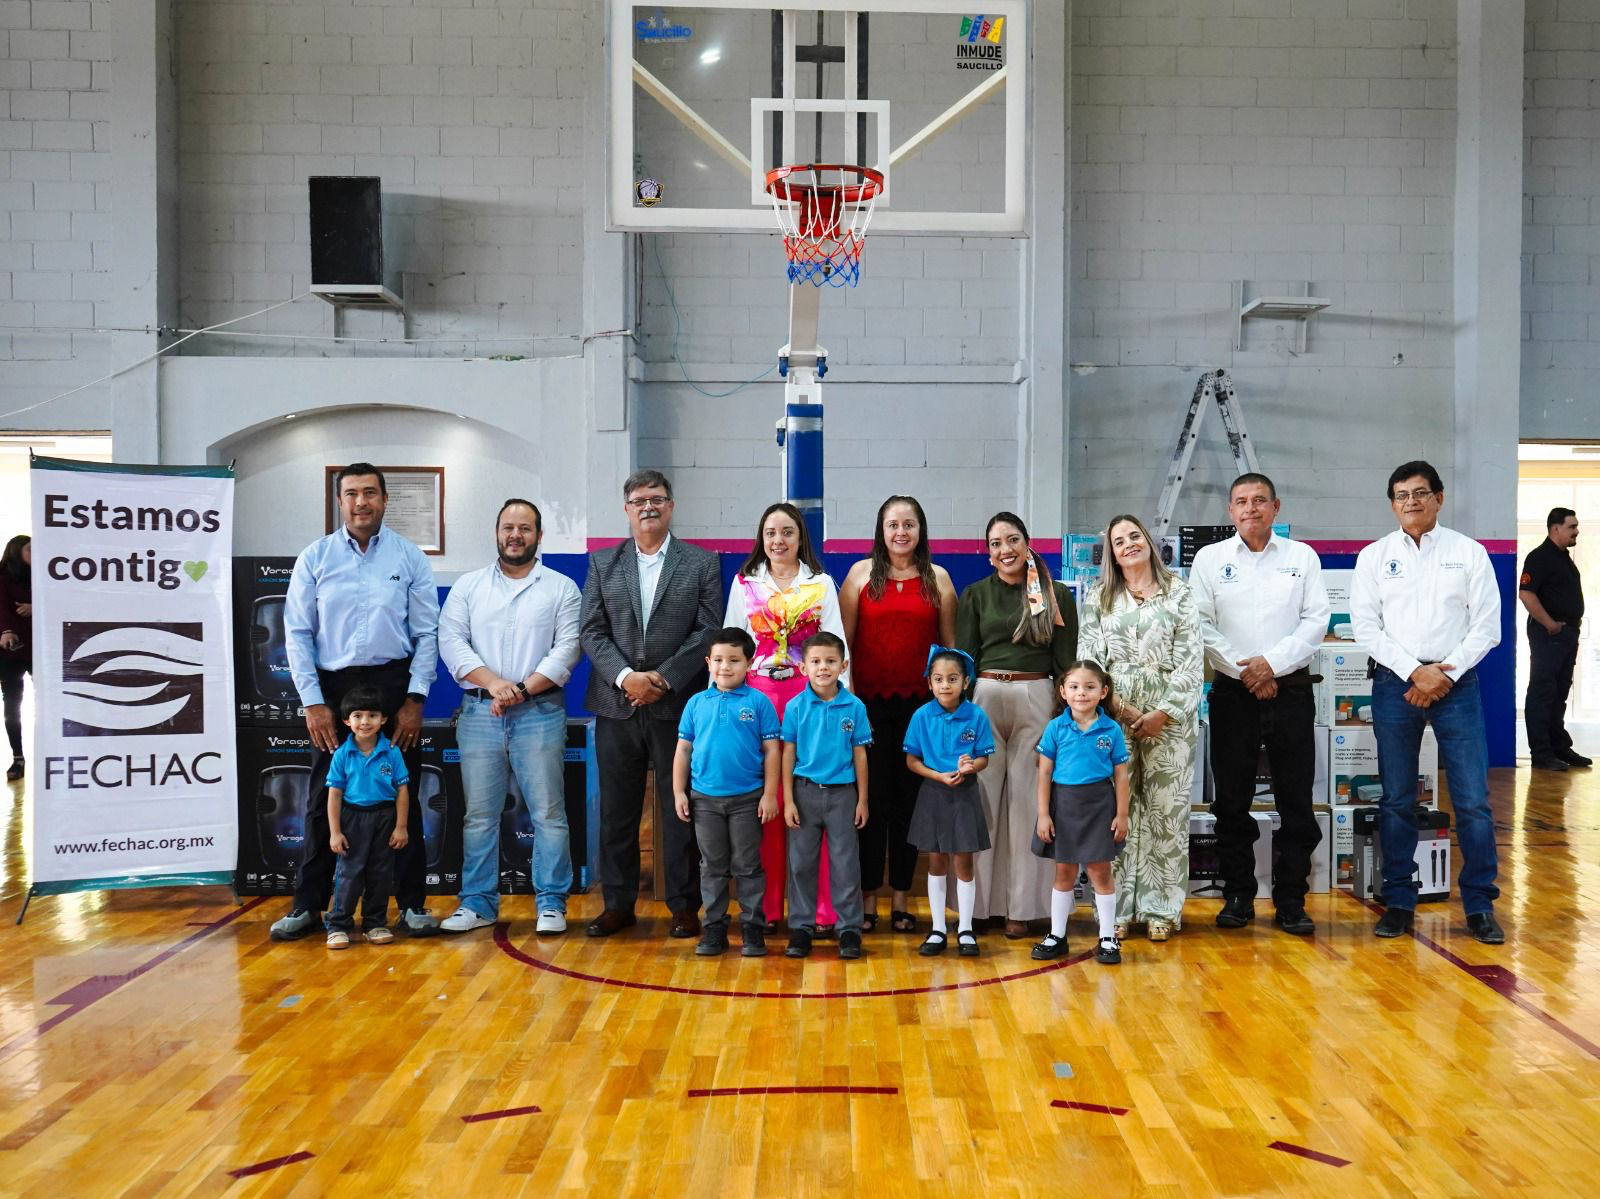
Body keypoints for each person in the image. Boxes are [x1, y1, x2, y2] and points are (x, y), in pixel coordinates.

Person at [272, 463, 440, 942]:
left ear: (386, 501)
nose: (361, 502)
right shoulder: (316, 558)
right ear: (339, 502)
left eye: (370, 493)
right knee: (325, 797)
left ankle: (410, 906)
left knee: (401, 796)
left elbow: (426, 632)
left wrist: (415, 698)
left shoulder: (409, 558)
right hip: (332, 690)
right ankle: (308, 906)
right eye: (351, 494)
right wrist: (313, 702)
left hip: (394, 687)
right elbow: (298, 633)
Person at [1351, 460, 1504, 944]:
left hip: (1457, 684)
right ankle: (1399, 900)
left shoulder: (1470, 553)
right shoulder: (1375, 556)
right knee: (1397, 799)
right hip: (1397, 684)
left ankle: (1479, 905)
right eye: (1401, 495)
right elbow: (1365, 627)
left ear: (1440, 497)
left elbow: (1487, 626)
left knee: (1473, 802)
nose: (1411, 502)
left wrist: (1444, 671)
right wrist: (1415, 671)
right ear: (1392, 504)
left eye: (1421, 493)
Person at [581, 470, 722, 940]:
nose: (648, 507)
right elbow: (591, 631)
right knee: (617, 812)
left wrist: (661, 678)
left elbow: (707, 630)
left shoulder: (701, 564)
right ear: (626, 508)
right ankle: (618, 904)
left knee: (679, 807)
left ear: (671, 506)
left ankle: (684, 905)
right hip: (615, 704)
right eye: (639, 500)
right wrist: (627, 677)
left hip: (675, 704)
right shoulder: (603, 564)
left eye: (657, 499)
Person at [1190, 473, 1330, 936]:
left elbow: (1314, 622)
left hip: (1290, 690)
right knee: (1231, 801)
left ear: (1276, 506)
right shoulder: (1210, 560)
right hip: (1233, 693)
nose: (1251, 508)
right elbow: (1202, 625)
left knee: (1295, 800)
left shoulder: (1301, 557)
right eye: (1241, 502)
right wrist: (1246, 671)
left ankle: (1291, 900)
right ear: (1230, 511)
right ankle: (1238, 895)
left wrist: (1270, 664)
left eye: (1260, 500)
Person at [437, 499, 581, 936]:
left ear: (538, 536)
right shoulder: (468, 586)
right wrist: (496, 684)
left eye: (524, 528)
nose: (514, 535)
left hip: (540, 711)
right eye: (507, 527)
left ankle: (551, 903)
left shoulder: (561, 588)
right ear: (496, 532)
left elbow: (567, 648)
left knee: (549, 813)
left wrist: (518, 689)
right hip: (480, 712)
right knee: (479, 815)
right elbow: (452, 641)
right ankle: (478, 903)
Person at [723, 502, 849, 931]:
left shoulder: (822, 585)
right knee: (769, 805)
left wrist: (841, 706)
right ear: (761, 537)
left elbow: (838, 647)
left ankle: (820, 911)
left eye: (788, 533)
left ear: (801, 538)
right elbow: (732, 647)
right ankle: (770, 909)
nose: (779, 540)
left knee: (811, 802)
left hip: (810, 700)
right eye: (771, 532)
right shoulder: (744, 585)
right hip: (756, 701)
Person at [1079, 513, 1202, 943]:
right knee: (1118, 813)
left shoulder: (1179, 593)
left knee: (1167, 813)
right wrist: (1126, 712)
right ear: (1111, 554)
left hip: (1171, 718)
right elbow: (1090, 663)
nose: (1128, 544)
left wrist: (1162, 714)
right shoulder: (1098, 597)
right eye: (1119, 541)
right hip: (1114, 716)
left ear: (1149, 543)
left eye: (1135, 536)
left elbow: (1190, 661)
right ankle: (1115, 909)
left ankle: (1161, 910)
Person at [839, 495, 958, 934]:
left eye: (909, 524)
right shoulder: (859, 575)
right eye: (893, 524)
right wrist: (849, 703)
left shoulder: (939, 579)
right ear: (881, 529)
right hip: (868, 705)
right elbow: (843, 646)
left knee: (910, 804)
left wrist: (946, 708)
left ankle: (904, 900)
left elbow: (949, 652)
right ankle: (868, 899)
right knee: (871, 803)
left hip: (920, 710)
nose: (901, 532)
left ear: (921, 529)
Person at [956, 511, 1077, 938]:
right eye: (995, 543)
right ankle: (980, 906)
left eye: (1012, 540)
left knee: (1029, 804)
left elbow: (1065, 665)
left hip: (1036, 698)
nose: (1004, 549)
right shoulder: (973, 595)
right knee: (983, 802)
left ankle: (1022, 910)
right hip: (986, 696)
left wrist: (1067, 722)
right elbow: (964, 662)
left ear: (1027, 544)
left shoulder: (1055, 594)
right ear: (987, 554)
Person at [672, 627, 781, 957]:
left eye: (734, 660)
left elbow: (773, 750)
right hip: (704, 800)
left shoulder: (759, 702)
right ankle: (715, 927)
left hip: (748, 798)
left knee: (748, 865)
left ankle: (752, 927)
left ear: (749, 663)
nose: (725, 667)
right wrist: (680, 792)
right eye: (718, 660)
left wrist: (769, 794)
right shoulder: (696, 703)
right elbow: (683, 750)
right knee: (712, 866)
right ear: (708, 663)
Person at [1030, 660, 1130, 966]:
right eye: (1074, 687)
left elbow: (1122, 776)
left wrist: (1122, 814)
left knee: (1100, 871)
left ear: (1103, 692)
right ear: (1062, 691)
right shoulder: (1056, 727)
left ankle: (1107, 938)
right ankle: (1057, 935)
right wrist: (1043, 814)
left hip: (1100, 806)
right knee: (1065, 872)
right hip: (1064, 806)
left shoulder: (1110, 730)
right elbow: (1044, 773)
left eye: (1089, 687)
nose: (1081, 693)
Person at [780, 632, 873, 960]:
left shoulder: (855, 706)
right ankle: (801, 928)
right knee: (802, 864)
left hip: (843, 796)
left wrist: (862, 799)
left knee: (845, 865)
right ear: (802, 667)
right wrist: (788, 799)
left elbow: (860, 754)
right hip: (804, 794)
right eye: (815, 662)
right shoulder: (795, 707)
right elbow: (787, 754)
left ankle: (849, 929)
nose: (823, 668)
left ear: (843, 665)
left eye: (830, 661)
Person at [904, 646, 994, 958]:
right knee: (937, 859)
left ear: (965, 682)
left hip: (965, 794)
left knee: (964, 861)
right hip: (934, 792)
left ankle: (965, 928)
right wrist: (937, 775)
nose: (945, 685)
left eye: (952, 679)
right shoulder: (921, 715)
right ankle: (938, 928)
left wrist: (972, 767)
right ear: (929, 683)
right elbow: (912, 761)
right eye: (938, 679)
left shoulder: (977, 715)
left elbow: (983, 758)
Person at [324, 685, 411, 949]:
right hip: (353, 819)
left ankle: (375, 923)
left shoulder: (392, 752)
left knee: (380, 874)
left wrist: (401, 827)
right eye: (358, 715)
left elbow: (402, 791)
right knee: (349, 873)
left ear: (384, 719)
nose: (365, 722)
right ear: (346, 721)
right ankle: (339, 925)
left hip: (384, 818)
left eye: (372, 715)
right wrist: (335, 831)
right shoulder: (342, 754)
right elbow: (335, 795)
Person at [1520, 507, 1588, 771]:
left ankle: (1558, 746)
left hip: (1567, 633)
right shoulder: (1540, 557)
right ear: (1555, 528)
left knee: (1559, 691)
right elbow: (1526, 593)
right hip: (1550, 634)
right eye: (1572, 526)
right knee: (1543, 691)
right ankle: (1541, 752)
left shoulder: (1563, 558)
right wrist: (1549, 624)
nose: (1576, 531)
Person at [0, 535, 32, 782]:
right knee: (12, 706)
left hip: (39, 648)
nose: (35, 553)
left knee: (52, 702)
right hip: (10, 651)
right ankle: (18, 757)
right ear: (15, 552)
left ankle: (53, 751)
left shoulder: (46, 574)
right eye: (29, 550)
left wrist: (36, 606)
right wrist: (6, 631)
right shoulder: (3, 579)